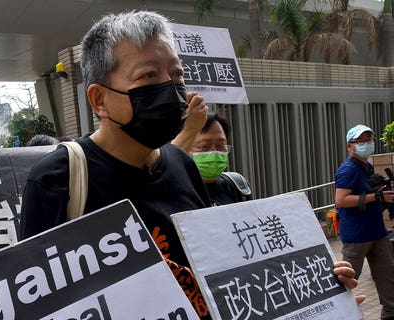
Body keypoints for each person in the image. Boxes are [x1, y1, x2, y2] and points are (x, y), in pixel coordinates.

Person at [21, 10, 360, 318]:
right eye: (148, 76)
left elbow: (222, 268)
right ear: (99, 99)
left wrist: (316, 287)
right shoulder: (58, 180)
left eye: (177, 74)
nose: (170, 88)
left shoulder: (182, 164)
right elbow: (35, 304)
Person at [335, 124, 394, 319]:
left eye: (368, 141)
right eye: (360, 142)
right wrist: (375, 197)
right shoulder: (348, 169)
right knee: (344, 283)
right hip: (357, 238)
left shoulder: (366, 166)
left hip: (377, 233)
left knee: (389, 283)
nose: (365, 145)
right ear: (349, 146)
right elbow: (341, 200)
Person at [175, 113, 252, 205]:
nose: (214, 152)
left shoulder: (238, 186)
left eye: (221, 146)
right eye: (204, 146)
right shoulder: (169, 189)